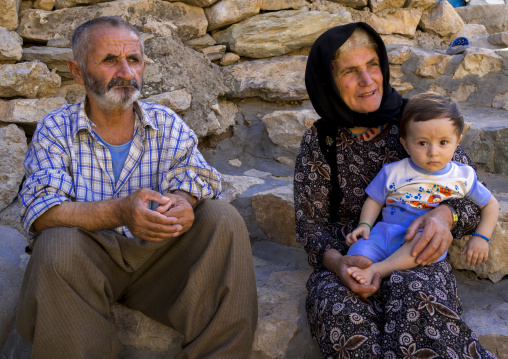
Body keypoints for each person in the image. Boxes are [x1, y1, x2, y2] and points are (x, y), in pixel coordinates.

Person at [16, 16, 257, 359]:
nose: (126, 73)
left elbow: (197, 175)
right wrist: (120, 210)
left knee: (222, 218)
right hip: (87, 266)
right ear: (77, 70)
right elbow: (41, 211)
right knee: (56, 245)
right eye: (110, 60)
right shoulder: (55, 129)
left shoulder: (164, 121)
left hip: (157, 262)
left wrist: (182, 201)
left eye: (134, 60)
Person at [294, 22, 497, 358]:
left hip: (419, 253)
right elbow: (311, 227)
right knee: (343, 317)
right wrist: (338, 264)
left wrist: (444, 214)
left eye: (372, 65)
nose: (367, 80)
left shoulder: (416, 120)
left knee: (420, 308)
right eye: (350, 71)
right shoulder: (321, 140)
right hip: (355, 254)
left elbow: (474, 195)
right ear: (329, 80)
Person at [346, 92, 499, 285]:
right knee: (357, 254)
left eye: (443, 142)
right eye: (422, 143)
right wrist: (364, 225)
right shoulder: (393, 171)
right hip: (384, 234)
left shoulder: (462, 176)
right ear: (406, 144)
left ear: (457, 141)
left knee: (423, 242)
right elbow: (375, 199)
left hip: (423, 240)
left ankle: (378, 270)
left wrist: (481, 237)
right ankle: (373, 273)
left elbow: (491, 205)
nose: (433, 152)